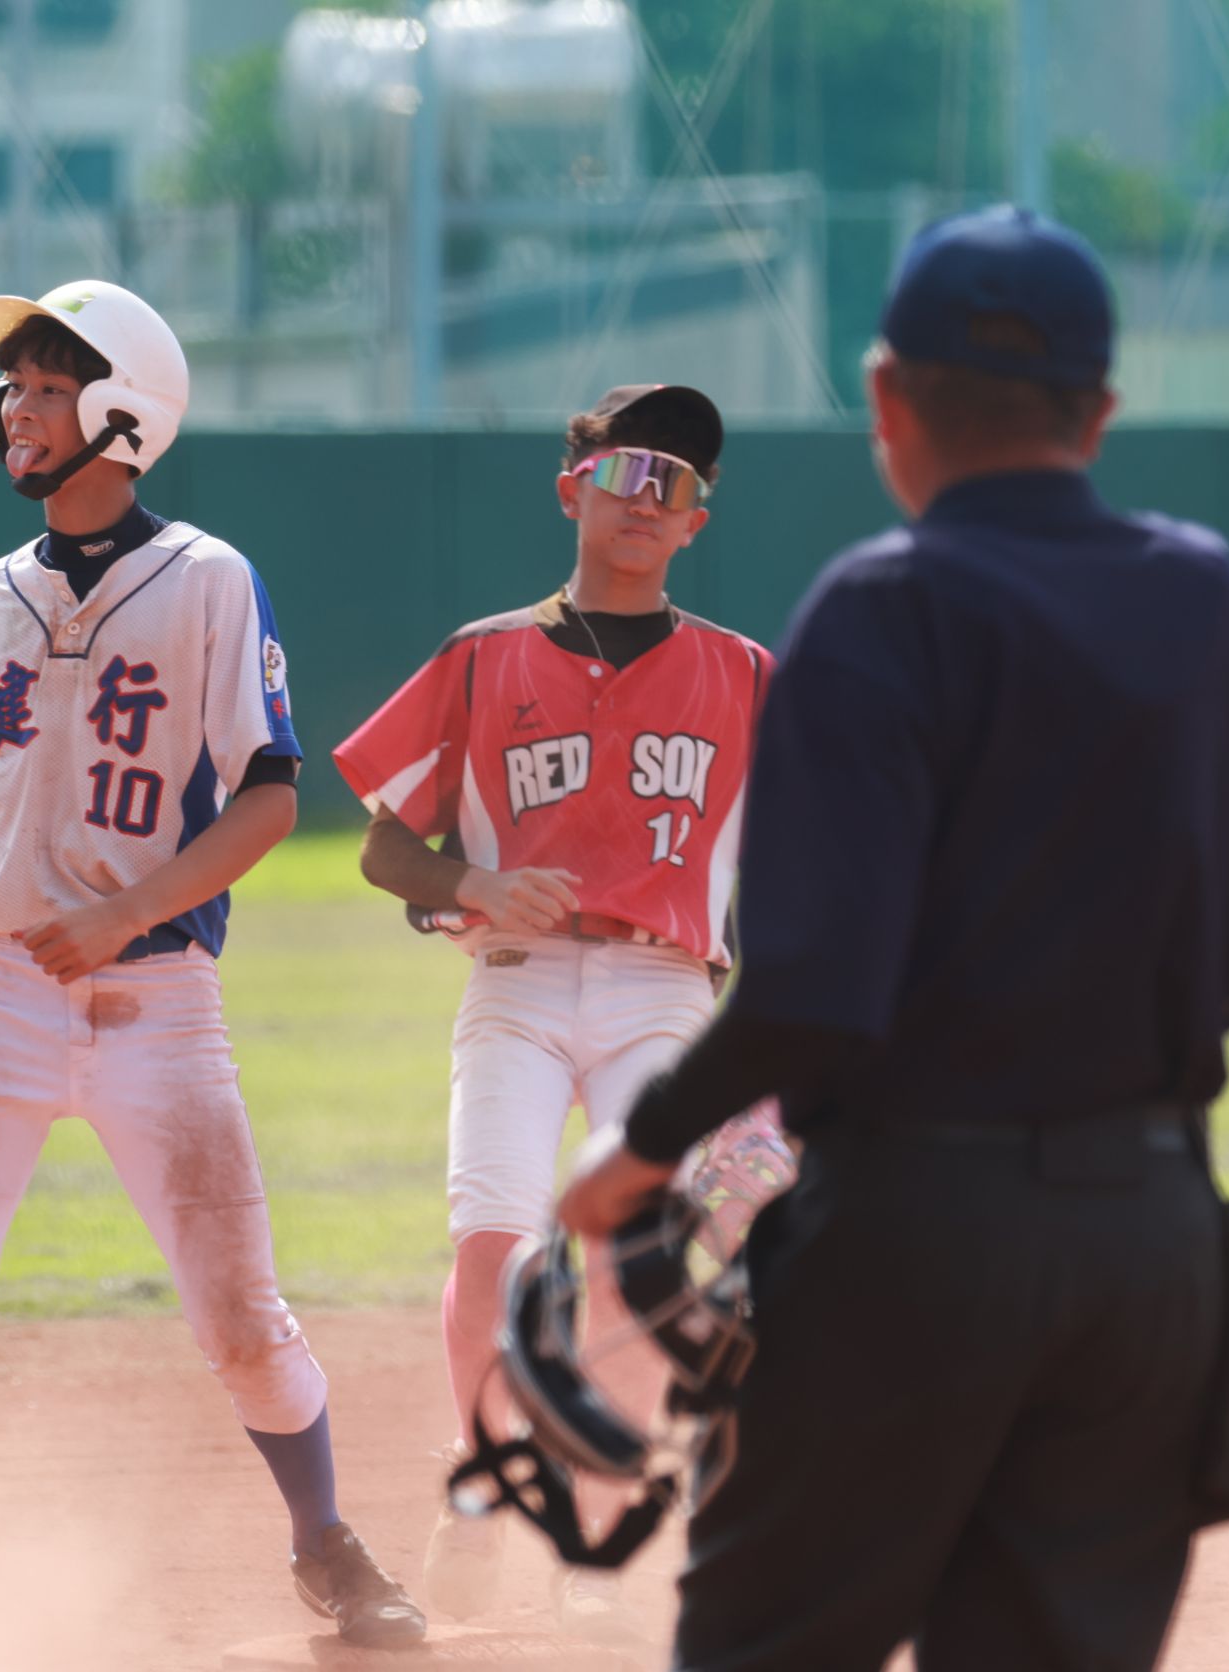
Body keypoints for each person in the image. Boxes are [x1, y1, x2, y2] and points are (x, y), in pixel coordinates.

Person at [559, 206, 1229, 1671]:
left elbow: (815, 993)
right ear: (1103, 411)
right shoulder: (1211, 597)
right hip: (1152, 1246)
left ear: (886, 402)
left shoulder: (879, 611)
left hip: (912, 1240)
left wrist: (644, 1150)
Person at [0, 280, 425, 1668]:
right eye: (14, 386)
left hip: (159, 1002)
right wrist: (8, 939)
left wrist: (128, 912)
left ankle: (325, 1546)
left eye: (46, 384)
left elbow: (271, 797)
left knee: (241, 1317)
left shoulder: (209, 578)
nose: (15, 407)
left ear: (123, 413)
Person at [331, 383, 794, 1649]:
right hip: (518, 983)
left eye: (678, 485)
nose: (649, 501)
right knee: (494, 1246)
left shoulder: (752, 674)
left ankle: (597, 1530)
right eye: (628, 471)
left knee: (627, 1258)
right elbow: (384, 844)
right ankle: (484, 1491)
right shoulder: (484, 656)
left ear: (697, 524)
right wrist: (470, 883)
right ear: (571, 489)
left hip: (665, 991)